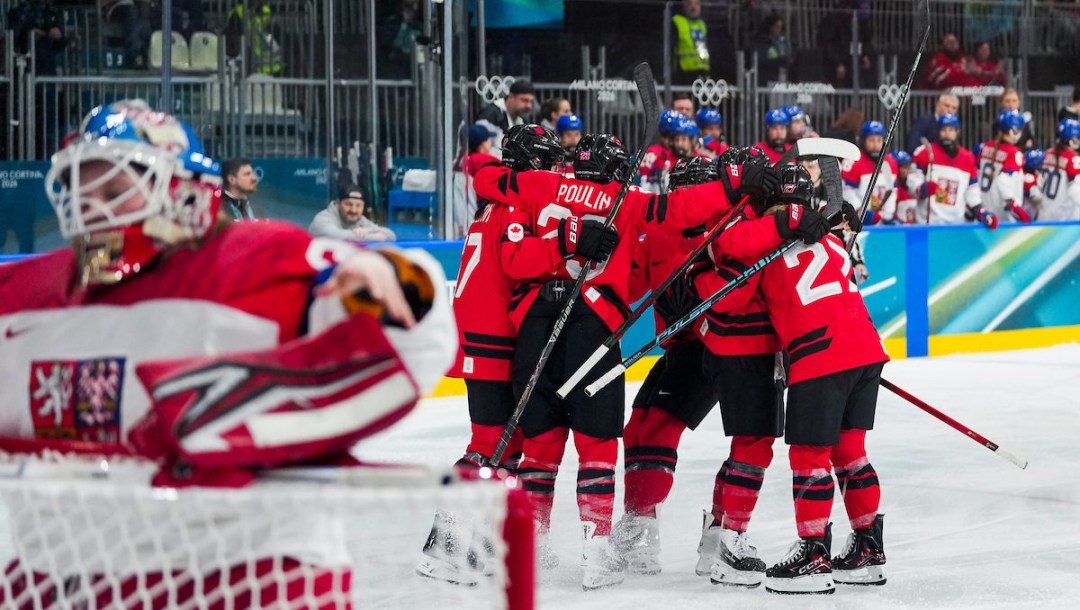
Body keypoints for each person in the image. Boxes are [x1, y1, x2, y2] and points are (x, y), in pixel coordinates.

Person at [0, 99, 453, 607]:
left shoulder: (257, 262)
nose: (91, 208)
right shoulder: (25, 295)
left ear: (181, 189)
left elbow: (415, 335)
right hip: (65, 581)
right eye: (83, 191)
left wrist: (390, 280)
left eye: (114, 189)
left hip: (249, 578)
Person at [471, 130, 782, 590]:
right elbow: (669, 223)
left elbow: (486, 177)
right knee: (600, 445)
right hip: (594, 325)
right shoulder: (629, 201)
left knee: (541, 446)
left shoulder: (543, 186)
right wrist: (731, 189)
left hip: (537, 323)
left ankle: (530, 546)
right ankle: (600, 550)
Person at [697, 164, 887, 595]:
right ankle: (867, 551)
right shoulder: (831, 238)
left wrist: (706, 278)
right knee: (851, 452)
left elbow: (733, 292)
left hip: (819, 357)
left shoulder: (765, 241)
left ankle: (814, 555)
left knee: (809, 457)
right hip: (866, 349)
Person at [417, 126, 565, 584]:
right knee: (490, 445)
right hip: (491, 338)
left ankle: (479, 535)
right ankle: (446, 541)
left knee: (509, 442)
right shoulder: (514, 204)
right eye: (547, 160)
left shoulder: (494, 201)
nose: (554, 169)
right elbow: (517, 261)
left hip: (484, 335)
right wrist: (565, 246)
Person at [691, 149, 829, 588]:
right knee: (753, 445)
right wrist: (780, 229)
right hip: (742, 351)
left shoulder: (748, 214)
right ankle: (730, 543)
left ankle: (720, 539)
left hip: (755, 351)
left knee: (750, 445)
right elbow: (728, 289)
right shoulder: (733, 217)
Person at [912, 114, 997, 228]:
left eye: (951, 130)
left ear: (957, 132)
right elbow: (912, 180)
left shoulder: (968, 158)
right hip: (928, 224)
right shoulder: (924, 152)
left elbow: (972, 192)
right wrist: (921, 189)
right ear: (938, 132)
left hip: (956, 225)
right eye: (943, 130)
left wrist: (980, 211)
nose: (947, 134)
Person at [975, 109, 1031, 224]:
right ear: (1013, 130)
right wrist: (1014, 205)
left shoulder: (985, 147)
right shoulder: (1014, 153)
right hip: (1004, 216)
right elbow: (1002, 181)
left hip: (985, 213)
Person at [842, 121, 899, 225]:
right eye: (871, 140)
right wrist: (861, 212)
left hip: (883, 223)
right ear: (863, 141)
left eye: (879, 140)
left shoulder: (890, 163)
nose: (876, 144)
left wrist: (888, 216)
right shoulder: (853, 161)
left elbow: (892, 192)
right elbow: (847, 193)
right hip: (856, 223)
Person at [309, 186, 397, 242]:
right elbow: (336, 236)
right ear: (338, 203)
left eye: (358, 205)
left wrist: (368, 230)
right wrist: (373, 237)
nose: (353, 210)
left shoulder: (360, 220)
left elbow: (391, 235)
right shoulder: (323, 218)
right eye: (348, 204)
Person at [818, 0, 873, 88]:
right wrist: (837, 63)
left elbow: (866, 40)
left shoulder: (860, 21)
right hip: (836, 66)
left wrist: (865, 54)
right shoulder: (833, 19)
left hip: (854, 64)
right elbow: (826, 44)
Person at [476, 79, 536, 157]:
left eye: (531, 101)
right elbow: (481, 149)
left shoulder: (520, 118)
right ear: (511, 97)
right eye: (524, 100)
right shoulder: (491, 114)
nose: (528, 106)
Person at [1037, 118, 1080, 221]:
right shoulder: (1074, 159)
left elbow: (1039, 184)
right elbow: (1076, 192)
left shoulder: (1048, 153)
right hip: (1064, 220)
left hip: (1044, 215)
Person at [225, 1, 282, 75]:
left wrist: (275, 47)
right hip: (248, 64)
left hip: (271, 66)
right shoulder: (236, 12)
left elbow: (267, 33)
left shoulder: (265, 11)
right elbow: (232, 36)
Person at [672, 0, 710, 84]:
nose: (693, 7)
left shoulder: (702, 24)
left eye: (696, 4)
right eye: (690, 3)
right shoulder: (677, 22)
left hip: (703, 73)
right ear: (684, 4)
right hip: (684, 74)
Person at [750, 13, 791, 85]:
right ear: (769, 26)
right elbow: (760, 60)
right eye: (776, 26)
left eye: (780, 27)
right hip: (766, 78)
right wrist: (779, 61)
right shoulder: (760, 41)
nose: (778, 29)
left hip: (781, 76)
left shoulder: (783, 41)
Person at [890, 151, 922, 224]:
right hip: (897, 229)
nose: (908, 171)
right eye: (904, 168)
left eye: (909, 167)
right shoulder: (892, 189)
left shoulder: (914, 186)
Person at [1022, 148, 1045, 220]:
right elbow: (1037, 197)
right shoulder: (1031, 178)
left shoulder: (1021, 173)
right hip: (1027, 215)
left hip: (1023, 212)